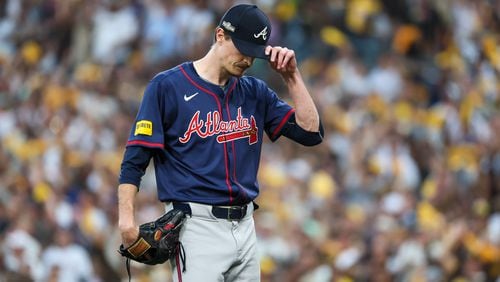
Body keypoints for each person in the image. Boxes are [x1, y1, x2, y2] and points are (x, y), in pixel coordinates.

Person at [117, 4, 324, 281]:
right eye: (243, 50)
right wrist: (126, 220)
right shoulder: (167, 86)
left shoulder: (255, 92)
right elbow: (136, 158)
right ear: (220, 35)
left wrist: (291, 76)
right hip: (196, 228)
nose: (248, 61)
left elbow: (311, 133)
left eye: (254, 54)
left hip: (246, 226)